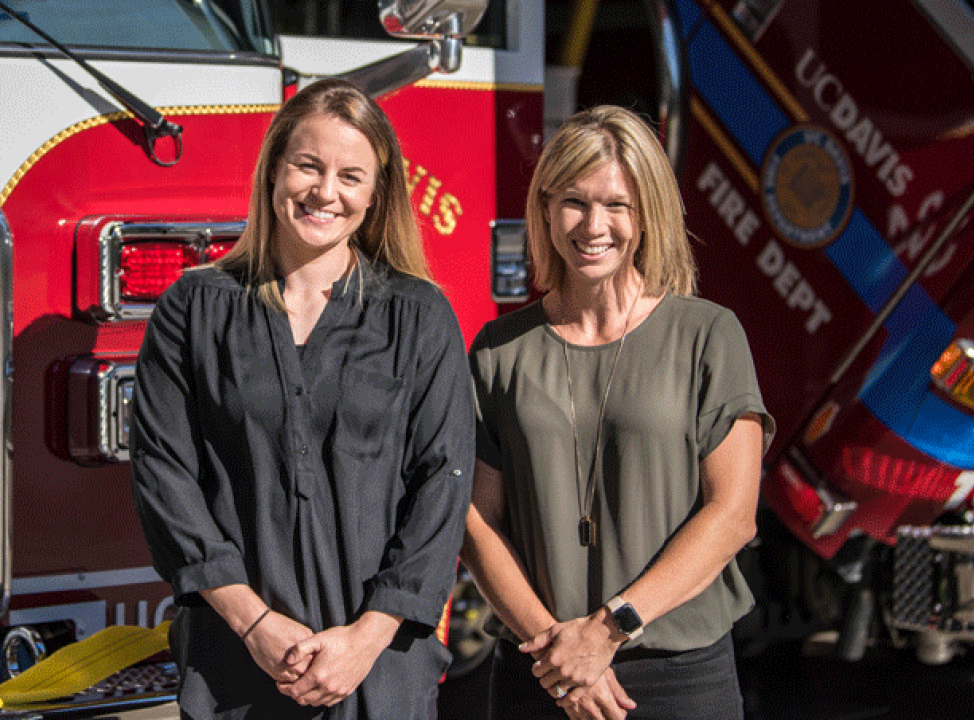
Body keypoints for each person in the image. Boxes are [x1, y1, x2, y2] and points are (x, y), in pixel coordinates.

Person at [130, 77, 474, 720]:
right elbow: (164, 475)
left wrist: (366, 638)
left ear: (376, 194)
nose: (325, 192)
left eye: (351, 176)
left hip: (381, 671)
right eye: (308, 166)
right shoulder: (193, 309)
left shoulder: (419, 315)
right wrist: (255, 623)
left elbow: (443, 485)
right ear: (273, 171)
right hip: (234, 666)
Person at [462, 105, 775, 720]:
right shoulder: (499, 349)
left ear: (648, 213)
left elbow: (733, 515)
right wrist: (559, 655)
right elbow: (476, 521)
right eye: (574, 202)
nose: (593, 225)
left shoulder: (708, 335)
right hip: (540, 671)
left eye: (617, 205)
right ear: (546, 209)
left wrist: (606, 632)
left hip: (678, 677)